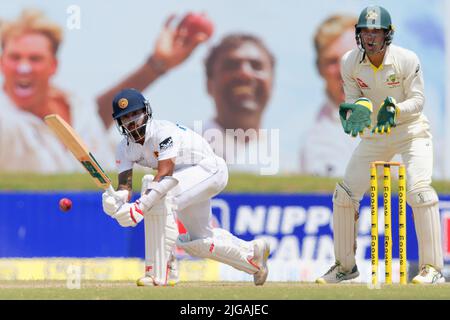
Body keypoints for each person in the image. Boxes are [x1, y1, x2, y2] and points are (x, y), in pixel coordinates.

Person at [316, 5, 445, 284]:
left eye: (376, 32)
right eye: (365, 31)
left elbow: (418, 101)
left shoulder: (407, 59)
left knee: (419, 191)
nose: (370, 37)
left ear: (388, 34)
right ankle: (345, 266)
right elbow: (355, 96)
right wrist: (356, 112)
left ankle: (432, 269)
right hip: (376, 134)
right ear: (358, 35)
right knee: (345, 194)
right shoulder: (349, 61)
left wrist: (395, 109)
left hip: (411, 131)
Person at [101, 88, 270, 286]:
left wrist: (139, 207)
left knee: (160, 196)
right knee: (198, 243)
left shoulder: (162, 133)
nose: (132, 121)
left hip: (208, 170)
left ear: (146, 112)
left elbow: (165, 173)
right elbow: (125, 185)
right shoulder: (124, 147)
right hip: (185, 178)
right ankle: (253, 256)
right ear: (119, 122)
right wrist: (116, 200)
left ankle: (161, 272)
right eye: (125, 117)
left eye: (135, 114)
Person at [96, 16, 277, 174]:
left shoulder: (289, 160)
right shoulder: (174, 145)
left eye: (256, 66)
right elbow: (90, 125)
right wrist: (156, 66)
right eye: (231, 65)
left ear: (273, 83)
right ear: (208, 83)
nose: (245, 74)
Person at [0, 9, 114, 172]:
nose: (23, 68)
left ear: (53, 65)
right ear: (1, 63)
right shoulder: (5, 120)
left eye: (35, 59)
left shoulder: (80, 106)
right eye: (15, 57)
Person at [299, 15, 359, 177]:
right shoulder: (317, 143)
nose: (343, 70)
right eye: (332, 62)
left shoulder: (410, 116)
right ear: (319, 69)